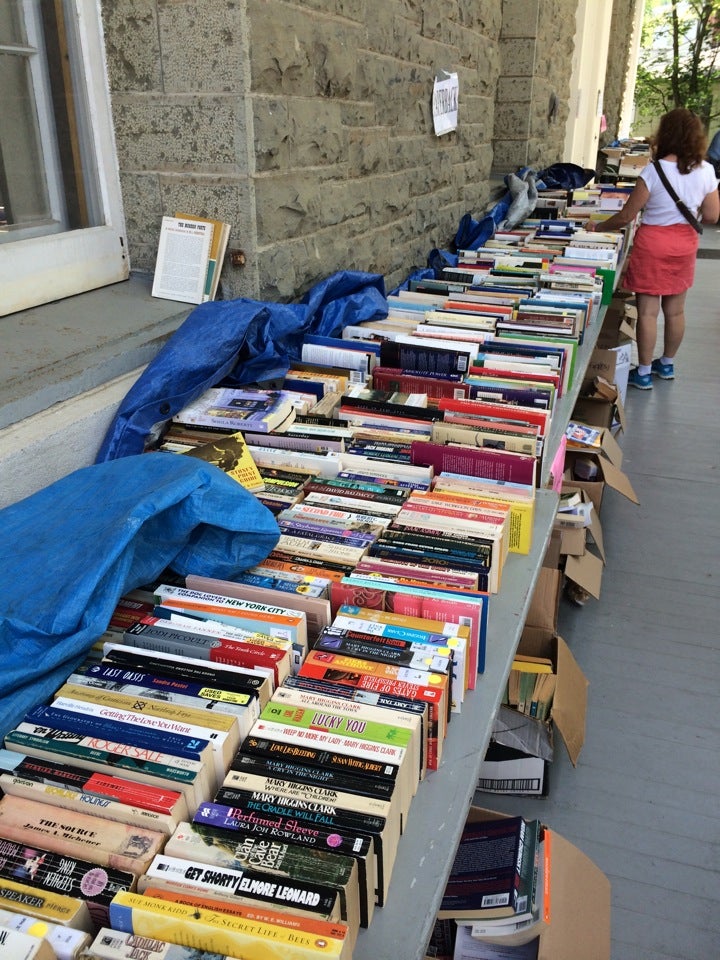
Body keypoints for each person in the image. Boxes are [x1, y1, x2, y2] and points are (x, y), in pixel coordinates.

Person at [588, 108, 719, 389]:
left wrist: (597, 228)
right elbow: (712, 216)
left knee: (648, 312)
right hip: (684, 244)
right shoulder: (706, 171)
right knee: (676, 311)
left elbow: (627, 215)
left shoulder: (654, 170)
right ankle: (667, 364)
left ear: (666, 134)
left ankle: (644, 372)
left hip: (653, 245)